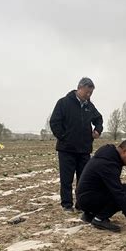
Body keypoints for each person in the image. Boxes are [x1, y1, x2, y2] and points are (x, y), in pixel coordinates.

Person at [50, 77, 103, 212]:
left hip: (84, 149)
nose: (88, 95)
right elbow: (55, 122)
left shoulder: (89, 106)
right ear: (79, 88)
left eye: (91, 93)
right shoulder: (63, 103)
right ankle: (67, 205)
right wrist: (63, 137)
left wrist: (98, 130)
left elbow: (99, 119)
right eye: (87, 92)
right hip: (66, 149)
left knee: (84, 179)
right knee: (66, 179)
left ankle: (81, 204)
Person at [76, 139, 126, 233]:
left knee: (122, 190)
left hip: (85, 198)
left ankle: (89, 215)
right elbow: (118, 192)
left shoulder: (109, 156)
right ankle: (99, 219)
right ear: (124, 151)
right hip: (87, 199)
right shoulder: (108, 163)